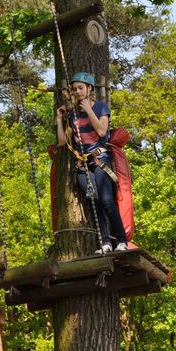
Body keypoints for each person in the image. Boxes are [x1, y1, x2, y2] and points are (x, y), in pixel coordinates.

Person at [56, 72, 128, 254]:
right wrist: (59, 120)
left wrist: (88, 109)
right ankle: (104, 243)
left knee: (107, 201)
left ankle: (121, 240)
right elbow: (63, 142)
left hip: (99, 159)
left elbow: (102, 132)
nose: (78, 92)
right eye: (74, 89)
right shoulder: (73, 116)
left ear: (90, 89)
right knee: (94, 202)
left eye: (81, 88)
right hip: (82, 164)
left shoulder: (100, 108)